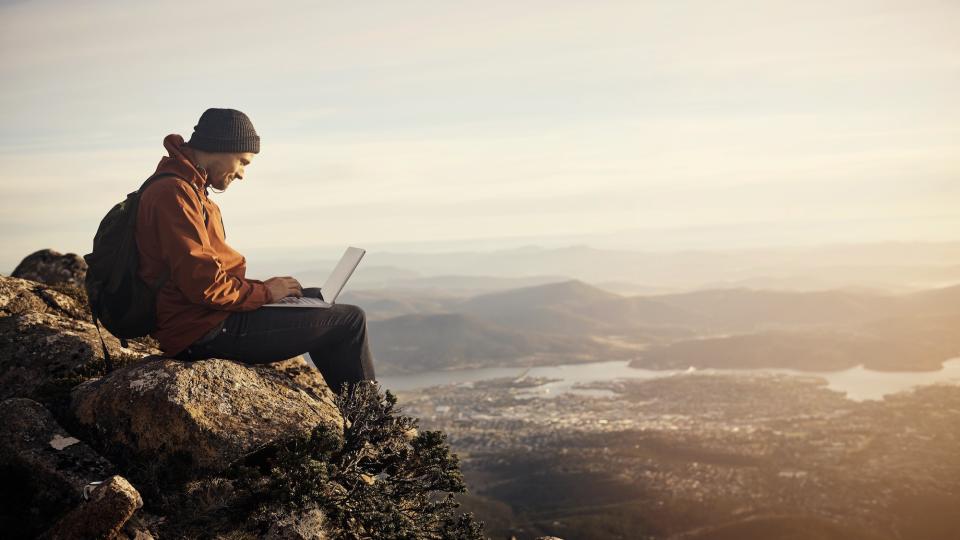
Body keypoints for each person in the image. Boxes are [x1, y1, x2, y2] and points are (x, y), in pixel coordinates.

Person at [135, 108, 375, 393]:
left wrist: (267, 291)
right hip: (200, 332)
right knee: (350, 320)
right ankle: (371, 427)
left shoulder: (187, 188)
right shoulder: (175, 193)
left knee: (312, 299)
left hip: (202, 319)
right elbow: (205, 286)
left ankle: (354, 415)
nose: (241, 174)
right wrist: (266, 293)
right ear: (222, 147)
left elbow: (202, 277)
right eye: (242, 162)